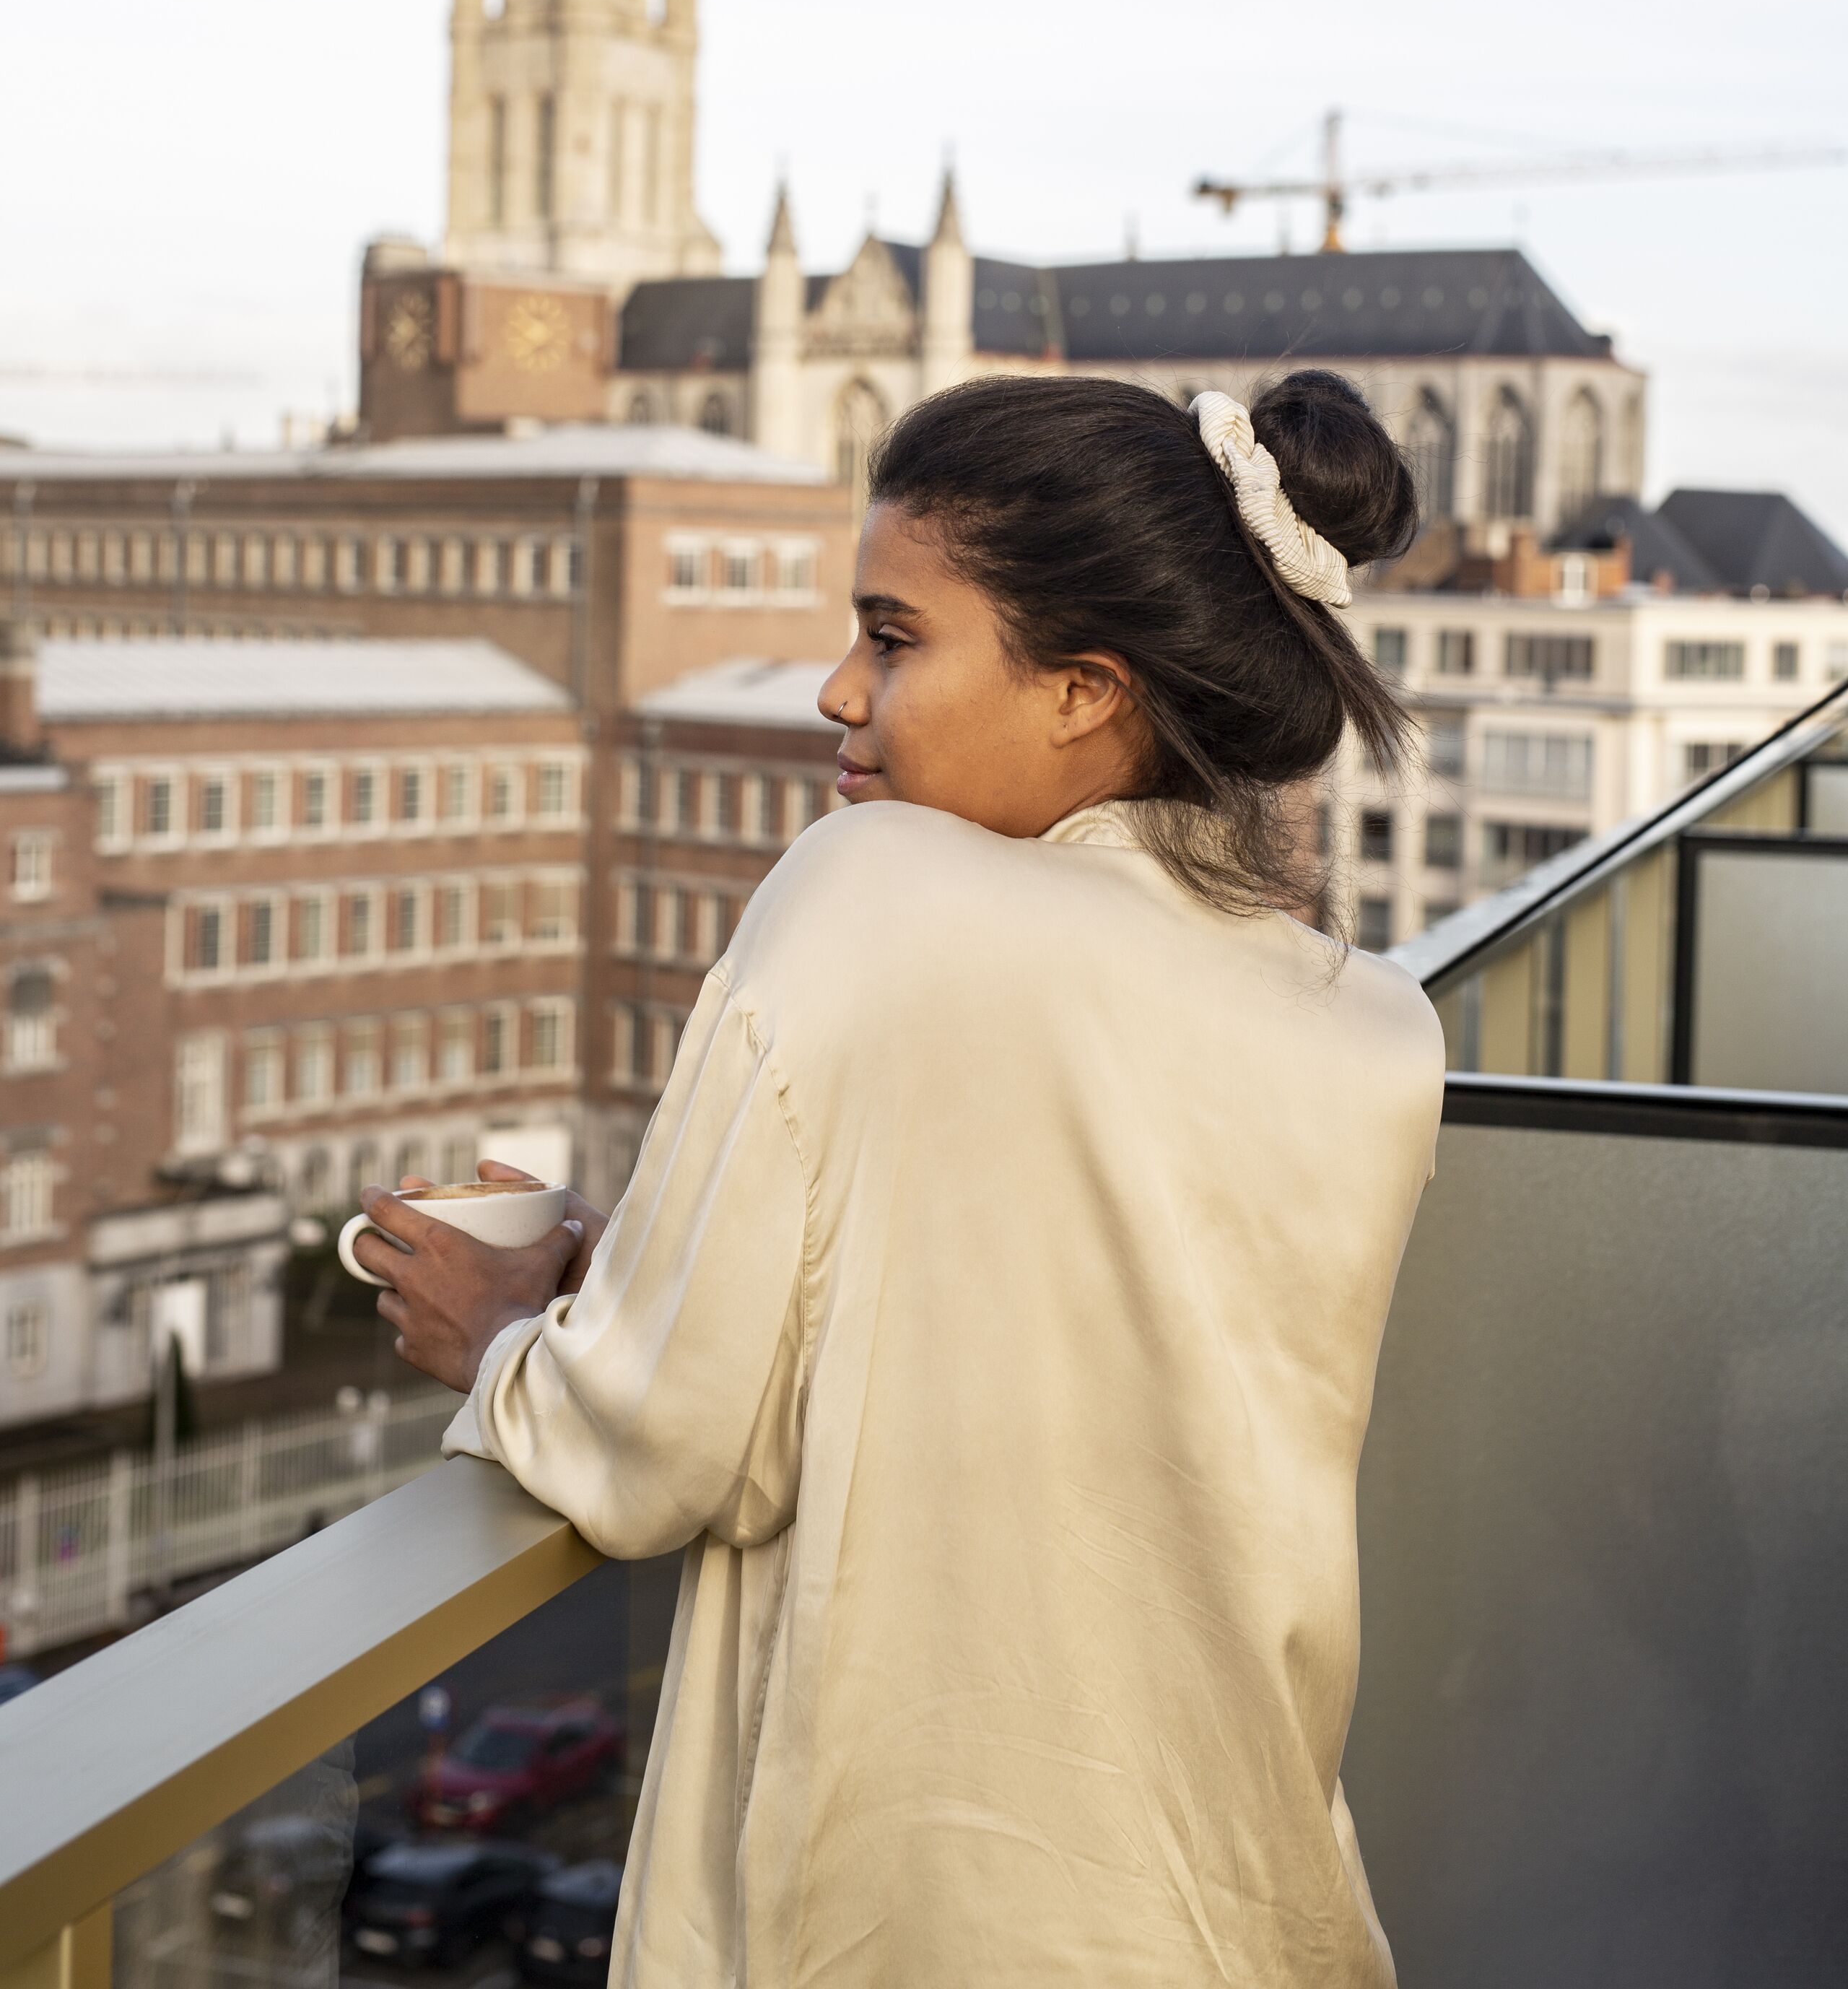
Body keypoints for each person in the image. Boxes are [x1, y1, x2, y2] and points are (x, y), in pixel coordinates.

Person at [357, 368, 1445, 1988]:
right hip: (1245, 1912)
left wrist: (511, 1334)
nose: (831, 689)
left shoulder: (873, 890)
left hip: (935, 1926)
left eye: (892, 635)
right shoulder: (1369, 1026)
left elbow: (661, 1444)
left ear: (1083, 687)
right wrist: (655, 1260)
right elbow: (1016, 1345)